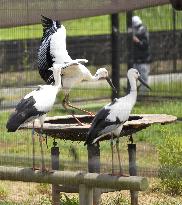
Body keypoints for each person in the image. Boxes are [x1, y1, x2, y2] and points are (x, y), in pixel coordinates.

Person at [132, 15, 151, 95]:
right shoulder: (134, 31)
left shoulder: (143, 31)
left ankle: (144, 95)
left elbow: (145, 45)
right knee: (133, 78)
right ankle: (134, 94)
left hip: (143, 60)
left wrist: (138, 41)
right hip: (136, 60)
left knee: (143, 78)